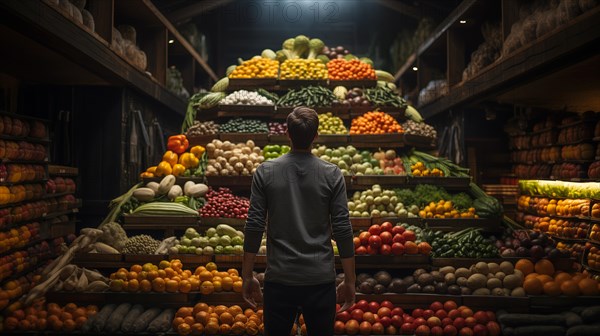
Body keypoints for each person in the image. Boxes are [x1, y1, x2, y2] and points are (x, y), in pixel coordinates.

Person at [242, 106, 356, 335]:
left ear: (287, 133)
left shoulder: (265, 172)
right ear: (316, 136)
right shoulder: (332, 174)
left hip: (279, 280)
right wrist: (350, 280)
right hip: (320, 279)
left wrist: (247, 275)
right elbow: (342, 229)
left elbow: (254, 225)